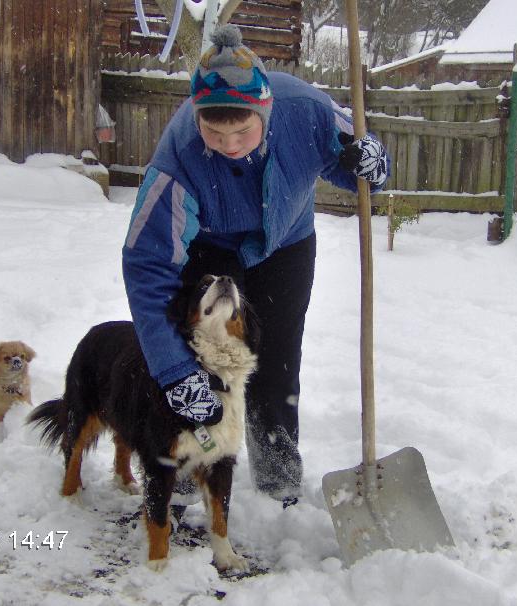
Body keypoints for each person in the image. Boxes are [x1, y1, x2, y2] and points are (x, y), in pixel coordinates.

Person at [122, 25, 389, 506]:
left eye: (243, 131)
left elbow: (351, 159)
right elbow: (148, 266)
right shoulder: (178, 158)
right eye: (215, 132)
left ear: (265, 111)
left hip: (286, 243)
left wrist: (369, 163)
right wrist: (172, 373)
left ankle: (278, 479)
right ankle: (178, 476)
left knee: (277, 362)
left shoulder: (306, 109)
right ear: (196, 118)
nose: (229, 145)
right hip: (211, 248)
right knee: (196, 360)